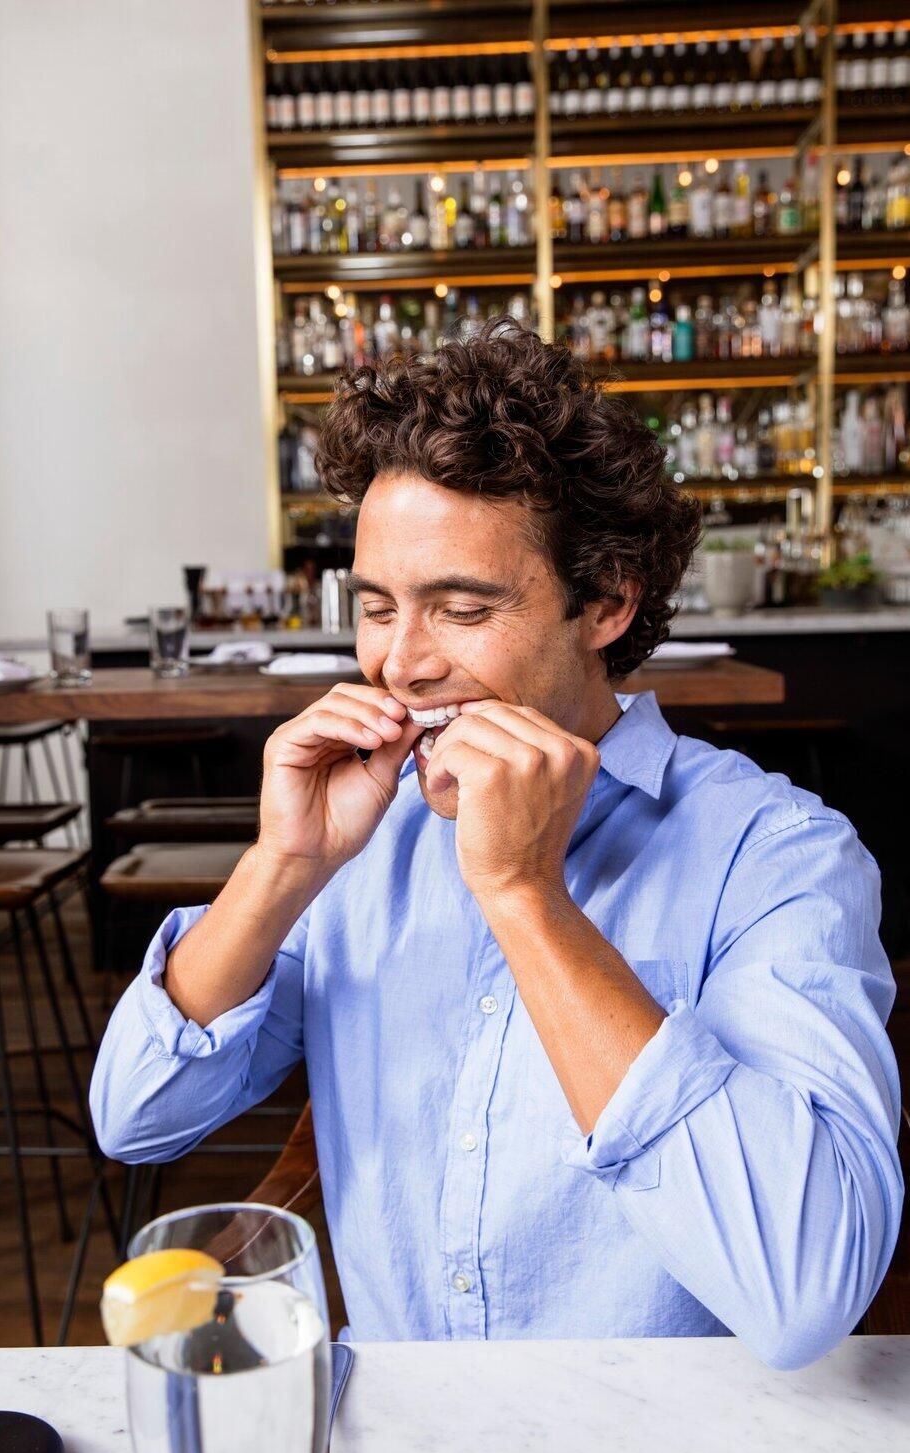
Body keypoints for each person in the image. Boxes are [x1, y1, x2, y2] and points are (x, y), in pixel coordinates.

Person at [90, 319, 903, 1368]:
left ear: (606, 602)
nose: (400, 664)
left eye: (462, 609)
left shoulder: (779, 855)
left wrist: (527, 895)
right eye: (378, 608)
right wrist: (282, 867)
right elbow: (135, 1117)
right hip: (400, 1445)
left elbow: (804, 1291)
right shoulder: (362, 840)